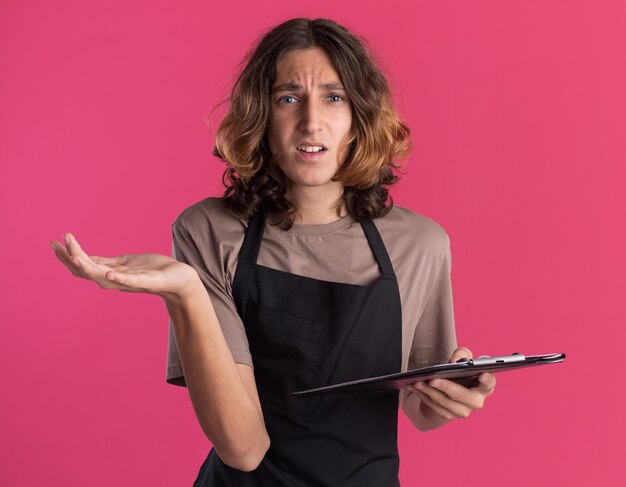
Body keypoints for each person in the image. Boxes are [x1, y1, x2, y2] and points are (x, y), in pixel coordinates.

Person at [51, 17, 496, 486]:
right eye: (288, 98)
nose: (311, 121)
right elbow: (243, 448)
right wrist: (185, 293)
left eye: (334, 96)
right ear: (260, 115)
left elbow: (420, 407)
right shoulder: (210, 230)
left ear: (360, 116)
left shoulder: (421, 245)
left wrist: (448, 399)